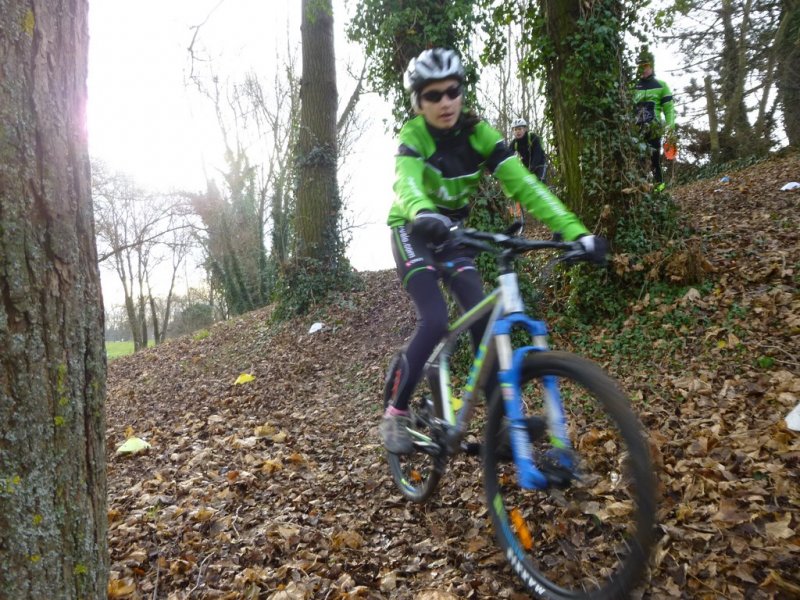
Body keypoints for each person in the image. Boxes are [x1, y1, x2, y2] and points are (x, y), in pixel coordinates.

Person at [380, 48, 608, 454]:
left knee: (485, 319)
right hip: (413, 230)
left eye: (452, 91)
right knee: (435, 320)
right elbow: (406, 184)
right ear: (419, 102)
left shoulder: (480, 134)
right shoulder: (413, 137)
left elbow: (525, 185)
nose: (445, 102)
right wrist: (422, 212)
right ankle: (395, 415)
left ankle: (501, 427)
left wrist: (576, 232)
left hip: (452, 234)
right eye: (433, 95)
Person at [633, 48, 676, 191]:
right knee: (638, 162)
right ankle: (643, 190)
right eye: (640, 67)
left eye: (645, 66)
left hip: (654, 129)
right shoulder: (632, 87)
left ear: (651, 66)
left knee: (654, 159)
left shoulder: (661, 85)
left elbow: (669, 109)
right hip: (636, 130)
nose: (643, 70)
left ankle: (660, 189)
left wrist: (670, 128)